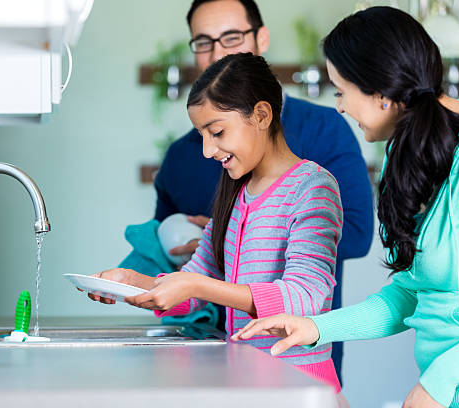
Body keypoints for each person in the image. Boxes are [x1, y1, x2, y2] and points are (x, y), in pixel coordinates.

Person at [231, 6, 459, 408]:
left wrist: (439, 382)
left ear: (381, 93)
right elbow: (408, 293)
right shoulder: (403, 156)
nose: (339, 106)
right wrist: (315, 328)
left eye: (341, 90)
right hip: (448, 395)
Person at [87, 53, 346, 397]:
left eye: (217, 132)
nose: (208, 150)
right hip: (247, 381)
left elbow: (305, 296)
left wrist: (196, 286)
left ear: (262, 115)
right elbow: (192, 288)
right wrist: (133, 285)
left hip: (298, 385)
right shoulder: (235, 195)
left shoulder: (312, 187)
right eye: (202, 136)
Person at [153, 0, 374, 383]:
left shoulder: (320, 150)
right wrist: (132, 286)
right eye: (204, 42)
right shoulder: (208, 172)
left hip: (295, 366)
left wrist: (207, 281)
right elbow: (184, 273)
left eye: (231, 37)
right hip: (228, 364)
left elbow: (343, 248)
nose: (218, 52)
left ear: (261, 38)